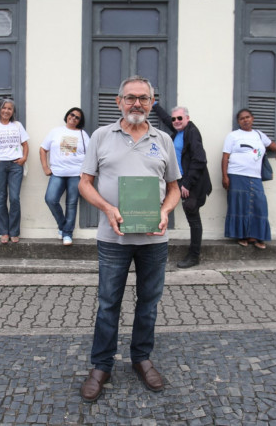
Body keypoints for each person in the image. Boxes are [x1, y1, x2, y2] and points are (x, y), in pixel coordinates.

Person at [78, 75, 181, 402]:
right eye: (130, 97)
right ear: (118, 101)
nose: (137, 103)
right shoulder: (100, 136)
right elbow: (84, 183)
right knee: (108, 303)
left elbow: (174, 188)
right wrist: (107, 208)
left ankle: (141, 358)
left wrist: (165, 211)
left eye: (143, 98)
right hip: (113, 238)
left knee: (148, 304)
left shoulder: (163, 139)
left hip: (154, 240)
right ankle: (101, 365)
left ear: (152, 102)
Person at [152, 104, 212, 268]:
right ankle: (151, 248)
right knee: (160, 206)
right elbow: (167, 119)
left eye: (180, 118)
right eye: (174, 119)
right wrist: (154, 105)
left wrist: (187, 183)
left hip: (193, 183)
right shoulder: (179, 131)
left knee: (193, 216)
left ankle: (194, 256)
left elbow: (200, 159)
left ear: (187, 118)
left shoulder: (192, 132)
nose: (176, 121)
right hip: (179, 180)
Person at [221, 108, 276, 249]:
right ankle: (241, 236)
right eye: (242, 118)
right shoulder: (233, 136)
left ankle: (256, 236)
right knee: (240, 205)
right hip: (236, 175)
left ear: (252, 118)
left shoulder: (259, 135)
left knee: (258, 205)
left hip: (255, 176)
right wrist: (225, 176)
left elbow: (271, 144)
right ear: (238, 122)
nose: (245, 120)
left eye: (247, 117)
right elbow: (225, 157)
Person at [39, 107, 90, 246]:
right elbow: (43, 149)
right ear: (67, 115)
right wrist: (45, 167)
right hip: (57, 173)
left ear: (80, 121)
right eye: (72, 115)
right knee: (50, 199)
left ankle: (67, 234)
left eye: (77, 117)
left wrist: (85, 172)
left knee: (71, 204)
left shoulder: (82, 134)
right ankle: (63, 226)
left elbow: (90, 154)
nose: (73, 118)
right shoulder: (55, 131)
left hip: (76, 174)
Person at [0, 98, 29, 244]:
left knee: (14, 198)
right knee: (1, 197)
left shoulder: (17, 125)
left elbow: (25, 144)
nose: (6, 111)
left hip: (16, 165)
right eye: (4, 108)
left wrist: (24, 158)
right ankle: (4, 231)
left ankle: (14, 231)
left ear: (13, 111)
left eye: (9, 108)